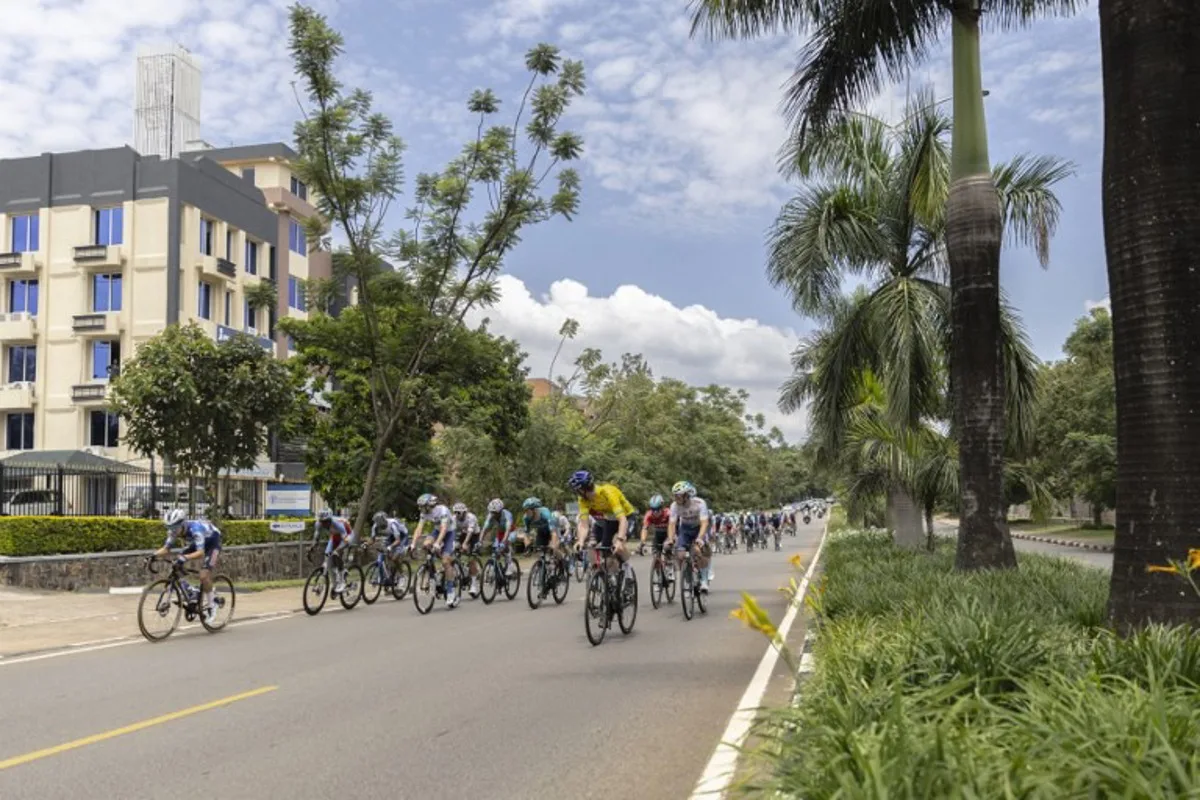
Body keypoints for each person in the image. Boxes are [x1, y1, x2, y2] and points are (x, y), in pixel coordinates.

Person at [154, 509, 222, 620]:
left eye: (175, 528)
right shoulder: (174, 531)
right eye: (169, 528)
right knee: (177, 563)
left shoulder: (196, 529)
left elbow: (200, 553)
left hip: (213, 544)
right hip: (198, 543)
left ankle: (212, 605)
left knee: (203, 575)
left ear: (183, 524)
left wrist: (185, 557)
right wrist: (152, 556)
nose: (172, 531)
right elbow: (166, 549)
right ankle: (191, 591)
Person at [569, 469, 634, 581]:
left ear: (583, 488)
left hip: (626, 517)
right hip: (609, 520)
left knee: (618, 545)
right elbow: (584, 524)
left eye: (577, 489)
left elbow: (622, 520)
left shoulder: (608, 492)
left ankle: (628, 568)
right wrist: (580, 541)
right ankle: (613, 577)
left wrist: (619, 540)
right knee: (605, 551)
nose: (576, 492)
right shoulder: (583, 499)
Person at [414, 493, 459, 608]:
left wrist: (438, 543)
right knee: (426, 544)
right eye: (420, 507)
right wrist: (413, 544)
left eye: (423, 506)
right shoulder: (424, 513)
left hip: (449, 532)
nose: (421, 509)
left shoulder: (442, 511)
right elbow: (419, 529)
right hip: (437, 530)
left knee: (445, 561)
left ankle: (450, 591)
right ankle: (432, 570)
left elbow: (444, 529)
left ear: (430, 505)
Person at [667, 480, 711, 593]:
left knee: (698, 550)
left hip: (698, 528)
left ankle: (704, 580)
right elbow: (672, 524)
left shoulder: (699, 503)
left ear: (687, 495)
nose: (676, 498)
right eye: (675, 495)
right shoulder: (674, 506)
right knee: (680, 554)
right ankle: (687, 579)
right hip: (685, 529)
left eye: (679, 495)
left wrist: (700, 538)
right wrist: (671, 538)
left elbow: (704, 523)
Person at [311, 508, 356, 595]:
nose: (324, 524)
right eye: (322, 522)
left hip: (347, 535)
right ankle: (335, 585)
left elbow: (345, 540)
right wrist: (312, 547)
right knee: (327, 557)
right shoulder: (318, 524)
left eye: (326, 521)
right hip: (335, 536)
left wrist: (338, 550)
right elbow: (316, 538)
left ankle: (342, 580)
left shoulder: (337, 524)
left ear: (330, 519)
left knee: (335, 553)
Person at [521, 496, 566, 583]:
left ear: (534, 510)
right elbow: (526, 534)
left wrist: (553, 545)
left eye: (527, 510)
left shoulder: (546, 514)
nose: (525, 513)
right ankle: (543, 569)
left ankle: (562, 566)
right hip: (541, 532)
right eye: (525, 510)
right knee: (539, 551)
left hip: (553, 531)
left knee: (554, 549)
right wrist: (528, 546)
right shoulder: (526, 518)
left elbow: (553, 533)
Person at [453, 502, 482, 598]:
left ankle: (473, 584)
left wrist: (465, 544)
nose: (457, 515)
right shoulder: (454, 518)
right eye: (455, 512)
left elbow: (470, 532)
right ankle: (463, 570)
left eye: (459, 513)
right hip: (463, 534)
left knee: (471, 558)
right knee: (455, 551)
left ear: (464, 512)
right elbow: (452, 532)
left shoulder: (471, 517)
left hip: (474, 535)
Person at [371, 510, 409, 579]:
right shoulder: (375, 526)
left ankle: (402, 575)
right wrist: (366, 544)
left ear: (384, 520)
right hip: (391, 536)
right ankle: (389, 572)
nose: (379, 525)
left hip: (402, 536)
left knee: (394, 558)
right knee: (385, 552)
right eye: (377, 523)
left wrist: (390, 547)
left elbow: (398, 540)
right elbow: (372, 540)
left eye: (380, 523)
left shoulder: (392, 524)